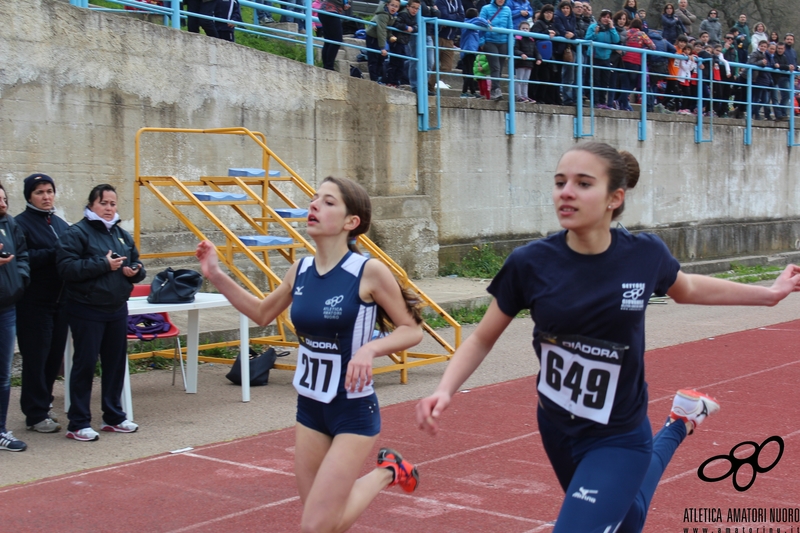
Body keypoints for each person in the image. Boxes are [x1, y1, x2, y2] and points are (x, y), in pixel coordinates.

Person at [416, 141, 800, 533]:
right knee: (626, 519)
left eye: (583, 183)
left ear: (614, 198)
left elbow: (688, 289)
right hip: (557, 426)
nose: (566, 192)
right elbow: (482, 338)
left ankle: (678, 423)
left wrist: (769, 296)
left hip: (618, 431)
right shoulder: (530, 263)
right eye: (560, 182)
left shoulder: (643, 254)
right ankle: (681, 422)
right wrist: (445, 388)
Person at [195, 176, 423, 532]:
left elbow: (413, 330)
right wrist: (216, 274)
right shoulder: (299, 270)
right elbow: (260, 313)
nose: (314, 205)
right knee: (324, 523)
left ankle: (385, 474)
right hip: (311, 408)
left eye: (329, 202)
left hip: (352, 411)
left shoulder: (367, 272)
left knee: (315, 526)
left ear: (352, 222)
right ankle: (391, 470)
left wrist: (370, 349)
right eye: (315, 198)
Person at [57, 184, 146, 442]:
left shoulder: (121, 234)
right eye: (104, 203)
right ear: (91, 205)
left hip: (117, 308)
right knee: (84, 366)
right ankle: (78, 422)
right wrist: (103, 264)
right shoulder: (76, 233)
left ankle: (114, 416)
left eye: (113, 204)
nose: (109, 208)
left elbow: (137, 264)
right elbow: (66, 269)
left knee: (115, 365)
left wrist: (135, 270)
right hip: (86, 308)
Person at [15, 174, 70, 435]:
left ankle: (43, 404)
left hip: (61, 302)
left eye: (49, 191)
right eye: (39, 192)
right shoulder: (19, 225)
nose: (46, 197)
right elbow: (21, 259)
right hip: (33, 303)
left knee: (52, 358)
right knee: (36, 358)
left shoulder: (60, 223)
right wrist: (55, 252)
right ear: (29, 196)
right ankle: (34, 414)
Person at [0, 182, 29, 452]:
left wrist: (20, 279)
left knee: (3, 375)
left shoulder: (10, 224)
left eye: (4, 198)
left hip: (7, 308)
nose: (2, 203)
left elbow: (22, 255)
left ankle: (0, 430)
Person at [479, 0, 514, 101]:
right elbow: (480, 25)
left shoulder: (507, 10)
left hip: (503, 42)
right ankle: (496, 90)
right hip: (490, 41)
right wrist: (482, 42)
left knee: (500, 67)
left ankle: (495, 89)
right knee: (495, 66)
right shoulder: (485, 8)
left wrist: (511, 44)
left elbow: (510, 27)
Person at [586, 9, 620, 110]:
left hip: (606, 58)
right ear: (600, 17)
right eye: (604, 17)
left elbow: (616, 40)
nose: (606, 19)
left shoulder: (610, 29)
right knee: (595, 80)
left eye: (608, 17)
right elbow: (587, 39)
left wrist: (612, 28)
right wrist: (595, 33)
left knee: (605, 81)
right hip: (594, 57)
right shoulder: (593, 26)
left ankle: (602, 101)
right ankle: (596, 102)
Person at [618, 18, 654, 112]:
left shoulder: (626, 32)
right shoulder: (642, 34)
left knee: (625, 83)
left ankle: (621, 102)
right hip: (635, 61)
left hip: (624, 59)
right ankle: (622, 102)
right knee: (632, 83)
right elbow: (653, 46)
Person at [365, 0, 400, 83]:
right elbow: (381, 30)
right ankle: (374, 79)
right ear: (387, 5)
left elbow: (386, 29)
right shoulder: (383, 14)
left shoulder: (393, 16)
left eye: (396, 6)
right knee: (374, 59)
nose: (393, 8)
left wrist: (390, 36)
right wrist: (382, 47)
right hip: (372, 36)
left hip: (379, 37)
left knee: (381, 59)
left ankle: (378, 78)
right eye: (392, 5)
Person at [531, 3, 559, 105]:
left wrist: (554, 33)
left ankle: (543, 98)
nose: (549, 15)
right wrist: (547, 32)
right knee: (540, 77)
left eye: (551, 13)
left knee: (547, 77)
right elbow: (535, 34)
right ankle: (536, 97)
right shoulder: (539, 23)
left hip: (548, 55)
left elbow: (558, 33)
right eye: (547, 12)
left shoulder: (552, 24)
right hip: (538, 54)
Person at [460, 8, 490, 98]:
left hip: (472, 51)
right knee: (470, 72)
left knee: (470, 72)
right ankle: (464, 92)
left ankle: (472, 92)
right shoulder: (466, 25)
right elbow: (479, 20)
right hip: (468, 50)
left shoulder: (474, 28)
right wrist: (486, 23)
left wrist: (486, 26)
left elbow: (482, 32)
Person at [553, 0, 577, 105]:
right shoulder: (557, 17)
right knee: (558, 74)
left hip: (569, 49)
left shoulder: (572, 18)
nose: (566, 10)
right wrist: (567, 34)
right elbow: (561, 31)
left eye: (568, 8)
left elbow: (575, 32)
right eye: (564, 8)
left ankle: (568, 98)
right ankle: (559, 97)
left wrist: (573, 35)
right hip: (559, 49)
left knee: (570, 75)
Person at [513, 20, 542, 102]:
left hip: (529, 63)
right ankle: (519, 96)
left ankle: (525, 95)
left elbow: (536, 51)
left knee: (526, 81)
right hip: (520, 63)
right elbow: (515, 49)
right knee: (519, 79)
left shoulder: (531, 40)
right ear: (519, 29)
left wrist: (539, 58)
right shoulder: (518, 39)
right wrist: (521, 54)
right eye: (523, 28)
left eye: (527, 28)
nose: (525, 30)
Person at [435, 0, 466, 72]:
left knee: (447, 67)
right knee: (433, 64)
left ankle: (433, 83)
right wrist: (456, 15)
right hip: (438, 37)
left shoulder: (458, 1)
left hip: (450, 39)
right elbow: (444, 16)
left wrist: (450, 18)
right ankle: (430, 83)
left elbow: (462, 17)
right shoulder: (440, 1)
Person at [318, 0, 346, 70]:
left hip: (323, 11)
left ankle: (326, 65)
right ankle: (329, 66)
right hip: (331, 11)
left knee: (329, 40)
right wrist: (344, 5)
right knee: (337, 40)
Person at [772, 42, 793, 121]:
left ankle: (782, 113)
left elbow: (784, 66)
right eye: (779, 48)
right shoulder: (774, 56)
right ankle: (779, 114)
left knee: (787, 95)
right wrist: (787, 67)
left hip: (783, 78)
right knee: (774, 98)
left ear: (784, 49)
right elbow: (778, 66)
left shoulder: (784, 56)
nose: (780, 50)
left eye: (782, 49)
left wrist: (792, 68)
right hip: (775, 79)